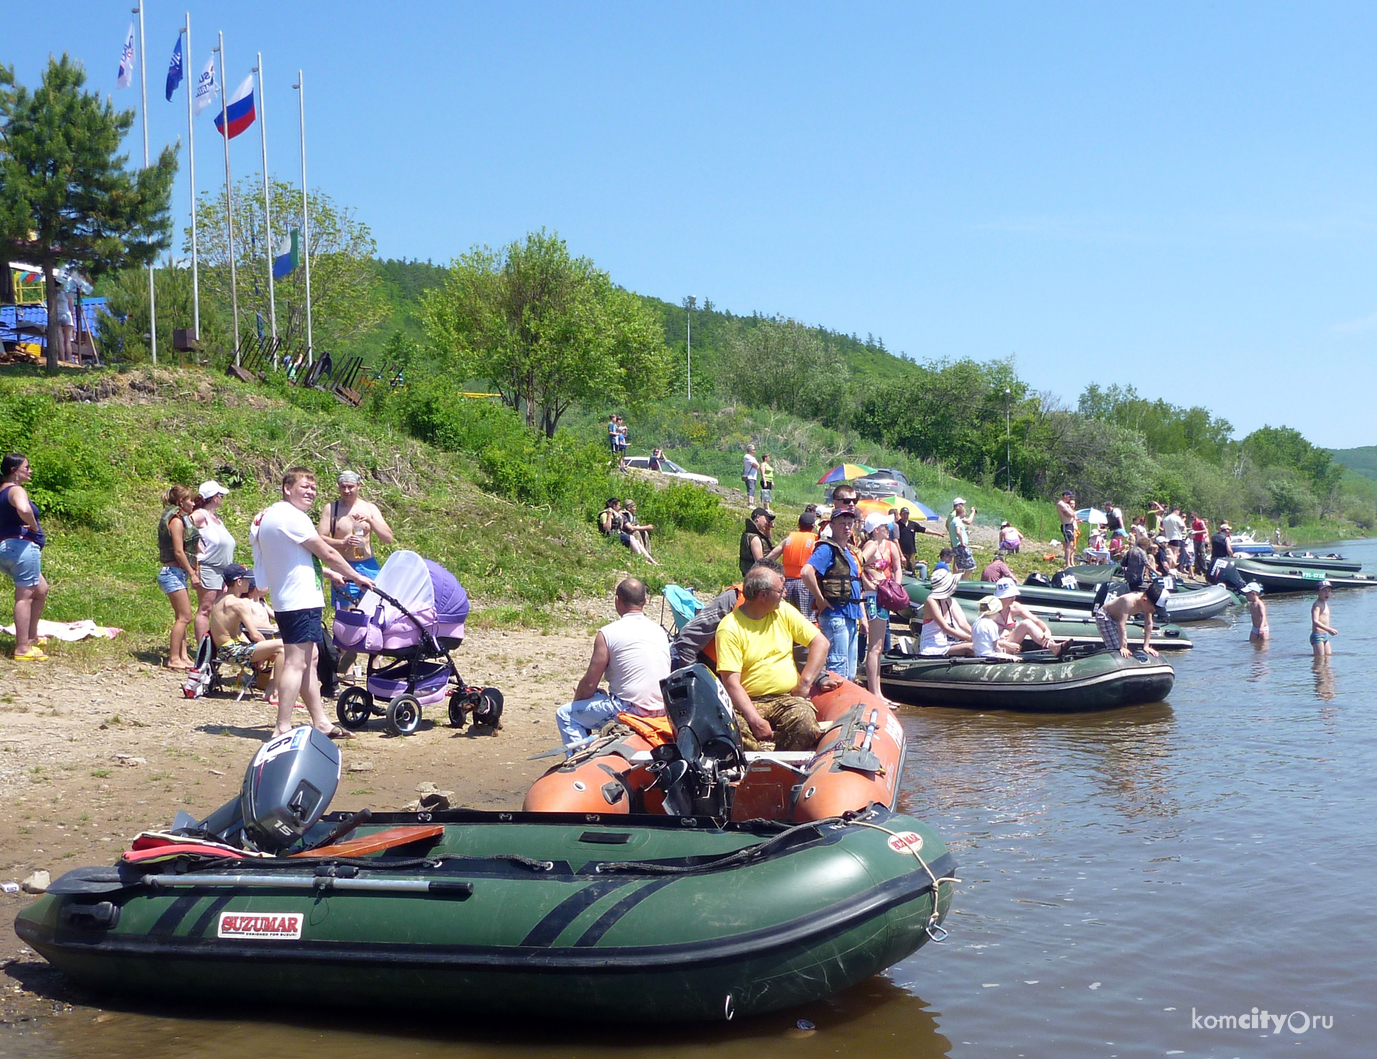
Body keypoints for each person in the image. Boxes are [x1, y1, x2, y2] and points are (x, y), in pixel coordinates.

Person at [253, 466, 374, 738]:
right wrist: (356, 576)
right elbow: (328, 551)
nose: (310, 492)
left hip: (289, 597)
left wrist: (328, 573)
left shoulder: (267, 516)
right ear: (287, 488)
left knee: (313, 657)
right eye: (304, 487)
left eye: (314, 489)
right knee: (296, 662)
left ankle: (320, 721)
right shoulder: (293, 517)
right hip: (300, 600)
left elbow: (293, 556)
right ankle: (282, 726)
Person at [715, 561, 830, 751]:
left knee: (804, 721)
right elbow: (731, 683)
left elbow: (821, 642)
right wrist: (755, 720)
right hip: (748, 703)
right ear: (763, 595)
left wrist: (805, 683)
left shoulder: (783, 611)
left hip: (785, 699)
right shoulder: (730, 628)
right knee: (734, 731)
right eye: (780, 590)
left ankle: (785, 766)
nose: (784, 594)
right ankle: (757, 768)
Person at [554, 578, 671, 753]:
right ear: (645, 601)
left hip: (628, 709)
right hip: (662, 708)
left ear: (617, 600)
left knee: (565, 714)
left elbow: (590, 683)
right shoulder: (659, 631)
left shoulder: (608, 633)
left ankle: (580, 758)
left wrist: (581, 700)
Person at [317, 471, 394, 612]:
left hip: (369, 565)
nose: (346, 491)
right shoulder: (332, 509)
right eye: (343, 487)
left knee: (375, 608)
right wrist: (342, 543)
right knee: (347, 613)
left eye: (350, 487)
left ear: (358, 486)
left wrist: (370, 520)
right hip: (344, 565)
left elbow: (388, 538)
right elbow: (319, 538)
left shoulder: (370, 508)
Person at [801, 506, 864, 679]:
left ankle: (846, 703)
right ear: (832, 525)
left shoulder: (850, 552)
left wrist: (863, 617)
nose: (846, 527)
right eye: (842, 523)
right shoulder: (827, 548)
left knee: (850, 671)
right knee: (838, 667)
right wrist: (820, 600)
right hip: (836, 616)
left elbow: (857, 586)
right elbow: (806, 572)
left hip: (851, 616)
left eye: (849, 523)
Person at [0, 454, 50, 662]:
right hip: (20, 547)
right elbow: (24, 508)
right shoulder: (16, 490)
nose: (30, 471)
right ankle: (22, 648)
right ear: (14, 470)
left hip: (4, 548)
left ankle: (31, 636)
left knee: (41, 588)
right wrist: (34, 526)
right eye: (26, 467)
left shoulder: (1, 490)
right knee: (24, 596)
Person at [208, 564, 284, 694]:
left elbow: (237, 632)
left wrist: (260, 650)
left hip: (223, 651)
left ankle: (271, 690)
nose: (249, 583)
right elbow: (254, 634)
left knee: (277, 652)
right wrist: (260, 655)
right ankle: (275, 693)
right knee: (283, 646)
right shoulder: (240, 603)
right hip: (233, 651)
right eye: (247, 580)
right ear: (239, 582)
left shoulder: (219, 600)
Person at [158, 484, 201, 670]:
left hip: (177, 573)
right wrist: (192, 573)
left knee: (181, 617)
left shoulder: (180, 519)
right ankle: (173, 658)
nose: (193, 503)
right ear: (181, 502)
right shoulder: (176, 521)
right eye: (190, 500)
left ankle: (183, 656)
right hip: (172, 573)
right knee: (185, 617)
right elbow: (178, 551)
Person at [191, 480, 236, 646]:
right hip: (209, 567)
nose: (222, 498)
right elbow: (184, 526)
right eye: (220, 495)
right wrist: (194, 546)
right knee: (206, 608)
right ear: (213, 497)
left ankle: (215, 645)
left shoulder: (215, 518)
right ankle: (203, 649)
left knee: (218, 608)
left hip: (222, 570)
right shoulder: (201, 515)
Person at [991, 577, 1066, 655]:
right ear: (1001, 597)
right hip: (996, 647)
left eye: (1014, 595)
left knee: (1027, 623)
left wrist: (1047, 630)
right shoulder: (991, 610)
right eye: (1009, 596)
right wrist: (1005, 644)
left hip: (1010, 643)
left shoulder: (1015, 607)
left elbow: (1036, 621)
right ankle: (1055, 647)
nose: (1013, 598)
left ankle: (1053, 647)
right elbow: (982, 638)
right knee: (1025, 624)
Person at [1094, 581, 1166, 658]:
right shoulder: (1129, 601)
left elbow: (1148, 623)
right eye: (1152, 609)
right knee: (1116, 647)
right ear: (1145, 599)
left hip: (1117, 619)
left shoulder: (1146, 604)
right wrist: (1122, 647)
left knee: (1124, 645)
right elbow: (1122, 624)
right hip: (1105, 616)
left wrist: (1146, 646)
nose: (1153, 611)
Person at [918, 568, 973, 657]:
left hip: (945, 644)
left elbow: (962, 623)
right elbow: (945, 627)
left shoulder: (950, 601)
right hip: (931, 646)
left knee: (976, 645)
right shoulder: (931, 601)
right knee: (971, 647)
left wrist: (977, 635)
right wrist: (970, 638)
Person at [780, 510, 820, 617]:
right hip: (804, 583)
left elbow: (772, 556)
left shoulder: (788, 539)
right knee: (806, 618)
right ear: (813, 526)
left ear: (798, 525)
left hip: (786, 583)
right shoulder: (815, 541)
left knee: (787, 617)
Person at [739, 507, 783, 576]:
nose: (768, 523)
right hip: (756, 577)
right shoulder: (755, 538)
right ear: (758, 517)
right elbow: (760, 563)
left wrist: (767, 530)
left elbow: (767, 544)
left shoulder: (748, 534)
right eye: (767, 520)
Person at [947, 497, 977, 580]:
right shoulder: (956, 517)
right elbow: (967, 522)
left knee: (958, 563)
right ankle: (961, 580)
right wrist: (973, 512)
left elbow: (947, 525)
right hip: (959, 544)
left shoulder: (951, 515)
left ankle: (957, 580)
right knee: (969, 565)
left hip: (955, 542)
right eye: (962, 505)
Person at [1310, 581, 1337, 658]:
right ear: (1318, 592)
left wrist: (1327, 631)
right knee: (1320, 659)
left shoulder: (1325, 604)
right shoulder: (1317, 605)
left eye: (1329, 591)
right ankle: (1317, 670)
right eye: (1324, 591)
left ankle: (1326, 670)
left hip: (1325, 635)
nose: (1327, 593)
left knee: (1328, 656)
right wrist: (1329, 629)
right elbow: (1315, 621)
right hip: (1317, 635)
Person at [895, 507, 922, 574]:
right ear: (900, 515)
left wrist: (937, 533)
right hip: (901, 551)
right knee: (902, 569)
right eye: (904, 514)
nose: (905, 516)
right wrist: (901, 555)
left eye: (907, 514)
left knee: (912, 568)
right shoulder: (897, 525)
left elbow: (924, 530)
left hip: (911, 551)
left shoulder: (912, 524)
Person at [1056, 490, 1078, 568]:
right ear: (1065, 495)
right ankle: (1067, 563)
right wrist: (1072, 514)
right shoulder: (1061, 504)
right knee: (1069, 544)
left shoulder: (1066, 505)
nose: (1070, 499)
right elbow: (1069, 514)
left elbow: (1073, 514)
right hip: (1066, 525)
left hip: (1071, 525)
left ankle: (1070, 562)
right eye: (1069, 496)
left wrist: (1072, 514)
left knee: (1072, 545)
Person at [1189, 512, 1210, 579]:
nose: (1192, 519)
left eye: (1193, 517)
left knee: (1202, 554)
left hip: (1201, 540)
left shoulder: (1200, 522)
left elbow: (1204, 531)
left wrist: (1196, 532)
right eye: (1191, 517)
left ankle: (1204, 569)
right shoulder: (1193, 523)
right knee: (1196, 555)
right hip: (1195, 540)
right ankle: (1198, 569)